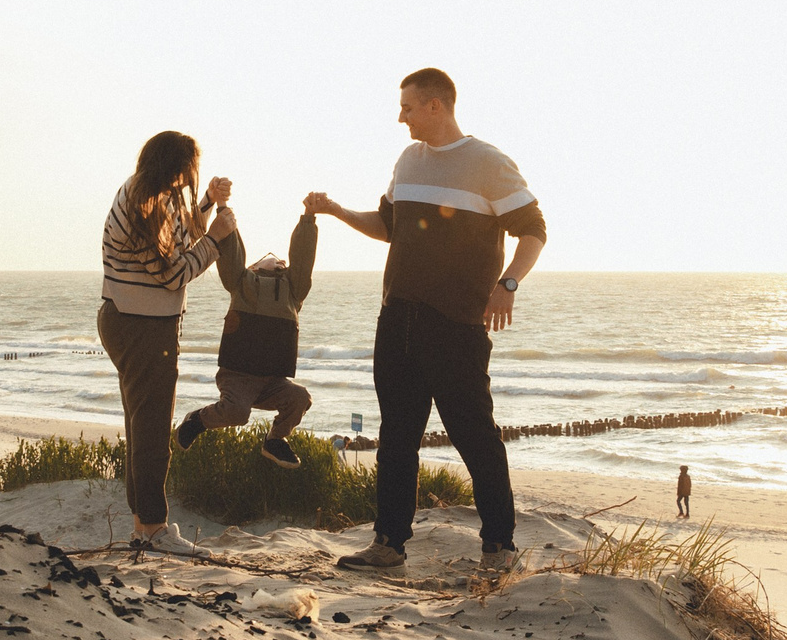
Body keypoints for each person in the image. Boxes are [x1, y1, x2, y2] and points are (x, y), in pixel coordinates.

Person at [307, 67, 544, 574]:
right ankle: (388, 543)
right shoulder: (408, 160)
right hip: (397, 319)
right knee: (396, 438)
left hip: (455, 325)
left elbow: (534, 230)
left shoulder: (489, 163)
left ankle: (499, 547)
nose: (402, 117)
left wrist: (508, 285)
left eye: (408, 107)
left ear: (436, 105)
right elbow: (389, 226)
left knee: (475, 437)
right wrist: (337, 211)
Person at [99, 131, 233, 554]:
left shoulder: (158, 192)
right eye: (193, 168)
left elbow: (178, 242)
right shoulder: (145, 204)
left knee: (142, 427)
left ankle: (144, 527)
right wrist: (218, 241)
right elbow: (174, 272)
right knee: (153, 430)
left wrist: (207, 204)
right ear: (179, 167)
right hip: (142, 325)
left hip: (133, 320)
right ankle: (155, 528)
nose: (193, 175)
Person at [176, 211, 317, 468]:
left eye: (282, 263)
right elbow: (231, 255)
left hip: (272, 382)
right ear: (253, 267)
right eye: (269, 260)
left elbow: (304, 259)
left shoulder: (293, 292)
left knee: (300, 398)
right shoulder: (242, 283)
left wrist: (308, 217)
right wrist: (222, 207)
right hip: (237, 376)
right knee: (238, 413)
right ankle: (197, 420)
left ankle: (275, 440)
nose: (277, 262)